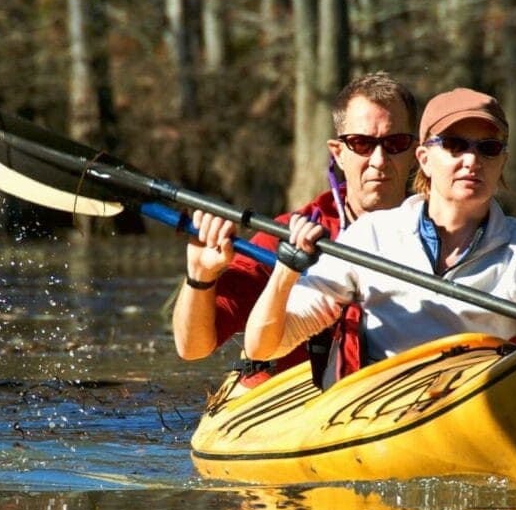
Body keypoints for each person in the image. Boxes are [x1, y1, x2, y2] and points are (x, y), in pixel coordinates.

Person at [243, 87, 516, 386]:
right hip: (381, 410)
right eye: (454, 146)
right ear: (424, 159)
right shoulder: (370, 238)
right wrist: (285, 272)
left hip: (481, 399)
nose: (471, 160)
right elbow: (265, 347)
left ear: (502, 160)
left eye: (487, 149)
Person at [172, 71, 419, 384]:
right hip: (291, 401)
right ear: (338, 153)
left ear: (415, 153)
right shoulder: (287, 235)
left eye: (395, 143)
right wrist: (201, 276)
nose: (380, 160)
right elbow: (192, 348)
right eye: (362, 144)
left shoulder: (446, 235)